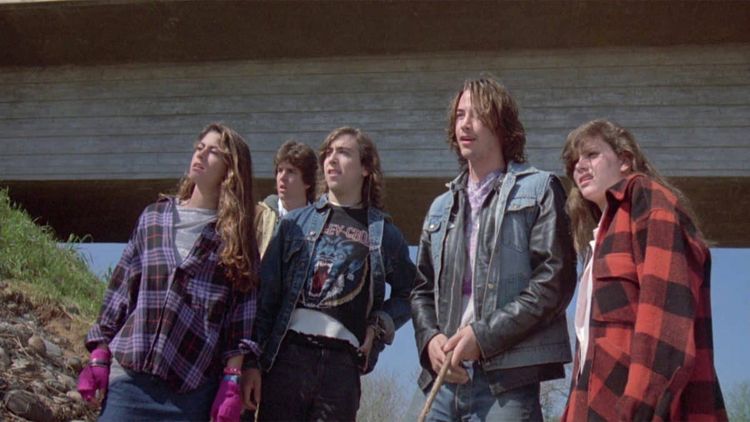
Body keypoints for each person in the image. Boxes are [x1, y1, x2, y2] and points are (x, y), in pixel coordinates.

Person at [410, 77, 576, 421]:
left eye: (477, 114)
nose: (465, 124)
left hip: (507, 383)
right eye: (459, 115)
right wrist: (429, 340)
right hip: (443, 380)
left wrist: (482, 337)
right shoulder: (440, 208)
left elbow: (554, 283)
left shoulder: (540, 189)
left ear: (501, 124)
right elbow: (421, 290)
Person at [77, 123, 261, 421]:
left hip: (191, 390)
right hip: (129, 379)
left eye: (213, 151)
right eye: (199, 147)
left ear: (231, 169)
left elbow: (240, 317)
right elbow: (120, 289)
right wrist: (99, 352)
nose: (200, 154)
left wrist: (231, 381)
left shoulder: (236, 239)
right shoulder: (154, 217)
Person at [243, 127, 415, 421]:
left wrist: (379, 325)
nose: (332, 159)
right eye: (328, 153)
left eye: (344, 153)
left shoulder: (384, 234)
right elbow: (266, 298)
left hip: (342, 367)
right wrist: (252, 363)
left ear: (365, 168)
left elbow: (413, 292)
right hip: (288, 359)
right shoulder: (294, 224)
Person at [560, 119, 727, 421]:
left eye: (592, 154)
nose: (579, 166)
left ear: (625, 160)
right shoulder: (602, 237)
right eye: (574, 162)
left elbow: (665, 320)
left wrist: (640, 407)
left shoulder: (647, 198)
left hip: (636, 410)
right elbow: (590, 350)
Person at [255, 140, 318, 257]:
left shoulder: (319, 222)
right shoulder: (259, 215)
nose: (282, 177)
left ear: (307, 181)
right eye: (280, 170)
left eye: (291, 171)